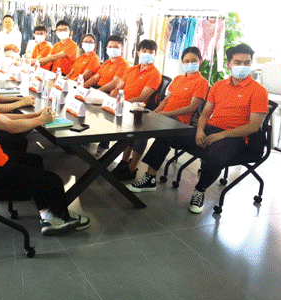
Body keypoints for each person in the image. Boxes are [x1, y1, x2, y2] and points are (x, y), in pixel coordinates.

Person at [0, 43, 90, 235]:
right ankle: (63, 219)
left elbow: (1, 118)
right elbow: (11, 127)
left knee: (35, 161)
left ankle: (47, 215)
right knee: (53, 180)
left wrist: (35, 116)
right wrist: (41, 120)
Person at [139, 43, 268, 213]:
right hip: (210, 129)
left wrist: (221, 136)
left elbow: (253, 126)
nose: (242, 66)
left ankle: (200, 191)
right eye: (238, 62)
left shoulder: (259, 91)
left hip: (235, 137)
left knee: (215, 156)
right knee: (167, 135)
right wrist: (200, 130)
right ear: (229, 65)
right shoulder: (218, 86)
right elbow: (205, 113)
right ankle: (150, 178)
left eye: (247, 63)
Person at [112, 47, 209, 183]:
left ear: (200, 61)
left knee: (142, 129)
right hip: (164, 115)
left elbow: (192, 107)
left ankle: (132, 168)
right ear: (182, 62)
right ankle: (124, 162)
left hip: (179, 120)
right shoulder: (178, 78)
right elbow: (166, 99)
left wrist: (166, 114)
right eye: (186, 61)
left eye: (194, 60)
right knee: (135, 123)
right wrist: (156, 111)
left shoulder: (201, 82)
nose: (190, 63)